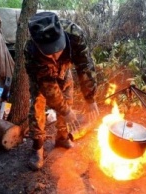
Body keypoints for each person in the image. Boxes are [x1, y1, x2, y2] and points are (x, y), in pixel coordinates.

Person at [24, 11, 99, 170]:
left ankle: (62, 137)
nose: (56, 54)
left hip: (64, 68)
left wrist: (90, 98)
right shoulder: (31, 52)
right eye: (50, 50)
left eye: (57, 47)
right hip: (43, 76)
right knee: (38, 103)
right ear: (38, 45)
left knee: (68, 96)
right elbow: (48, 88)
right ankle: (37, 147)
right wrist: (65, 110)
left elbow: (85, 67)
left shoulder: (74, 35)